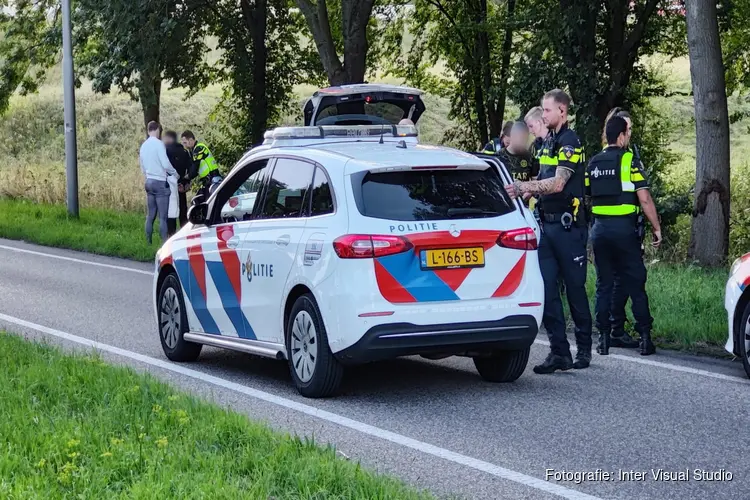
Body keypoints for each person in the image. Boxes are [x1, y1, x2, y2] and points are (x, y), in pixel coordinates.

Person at [505, 89, 593, 373]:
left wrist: (524, 188)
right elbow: (542, 180)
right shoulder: (547, 143)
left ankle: (584, 349)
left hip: (569, 229)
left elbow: (557, 184)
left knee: (575, 290)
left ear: (562, 111)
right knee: (547, 291)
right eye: (542, 112)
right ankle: (559, 352)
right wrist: (521, 193)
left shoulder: (570, 141)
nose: (543, 116)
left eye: (547, 111)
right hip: (546, 226)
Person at [586, 116, 661, 356]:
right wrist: (657, 228)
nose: (628, 136)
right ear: (620, 136)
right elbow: (645, 198)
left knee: (604, 285)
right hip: (624, 231)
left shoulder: (593, 163)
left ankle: (603, 339)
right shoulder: (629, 160)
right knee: (635, 283)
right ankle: (645, 339)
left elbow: (588, 194)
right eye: (627, 132)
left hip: (599, 232)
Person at [601, 108, 642, 349]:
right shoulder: (615, 158)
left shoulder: (628, 155)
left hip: (623, 228)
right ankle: (614, 328)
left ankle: (613, 327)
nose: (629, 133)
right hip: (617, 229)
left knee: (619, 281)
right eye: (627, 128)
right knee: (620, 280)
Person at [139, 121, 177, 244]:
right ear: (157, 130)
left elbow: (142, 167)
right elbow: (165, 164)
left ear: (148, 130)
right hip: (160, 182)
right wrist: (175, 173)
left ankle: (148, 242)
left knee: (150, 215)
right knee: (163, 218)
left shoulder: (143, 145)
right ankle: (164, 244)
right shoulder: (159, 144)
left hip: (149, 181)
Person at [180, 130, 221, 202]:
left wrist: (184, 179)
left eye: (185, 143)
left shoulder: (199, 148)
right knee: (199, 202)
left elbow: (194, 169)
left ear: (190, 140)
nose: (184, 146)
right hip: (208, 181)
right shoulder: (193, 150)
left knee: (204, 203)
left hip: (213, 179)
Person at [163, 130, 192, 228]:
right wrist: (186, 182)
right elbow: (190, 168)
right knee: (182, 209)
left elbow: (164, 168)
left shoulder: (166, 151)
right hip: (181, 185)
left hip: (170, 184)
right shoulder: (184, 152)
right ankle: (184, 230)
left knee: (171, 210)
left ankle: (171, 234)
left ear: (170, 139)